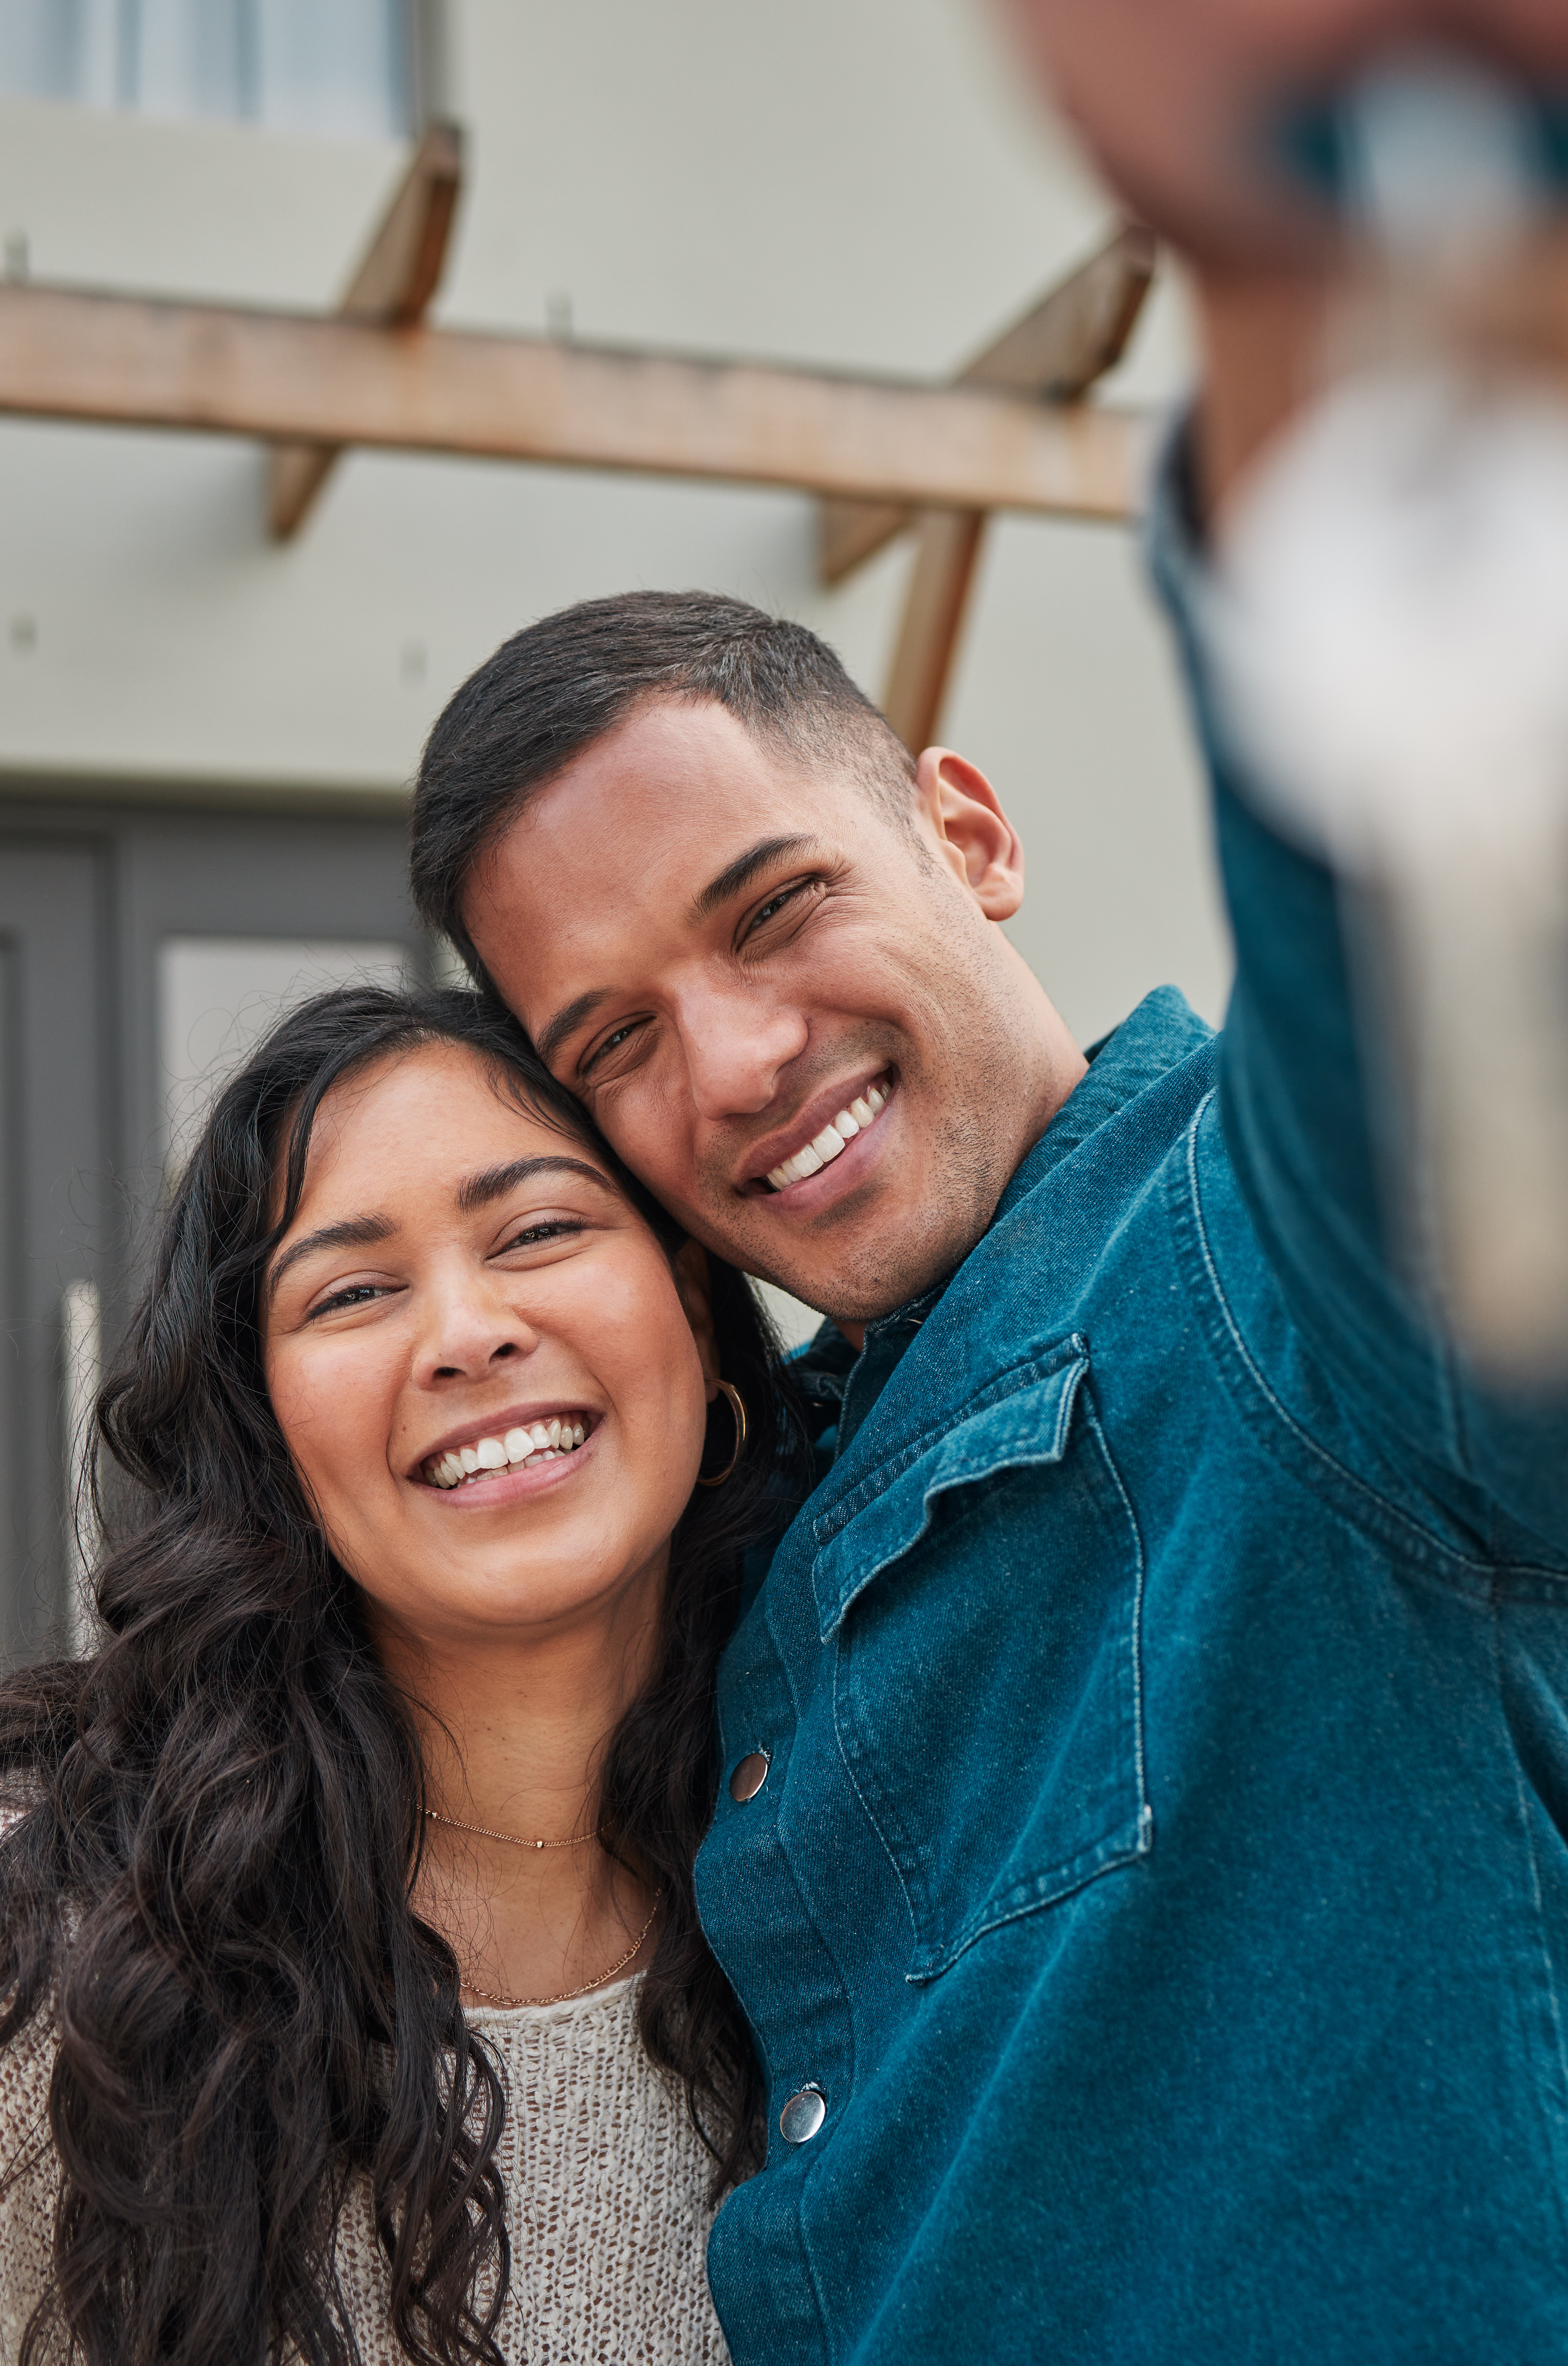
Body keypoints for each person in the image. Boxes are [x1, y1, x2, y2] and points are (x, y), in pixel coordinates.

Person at [404, 12, 1568, 2362]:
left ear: (973, 833)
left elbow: (1416, 1009)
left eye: (774, 908)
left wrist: (1289, 281)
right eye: (613, 1043)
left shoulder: (1267, 1277)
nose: (737, 1067)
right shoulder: (757, 1511)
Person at [0, 984, 806, 2366]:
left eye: (541, 1229)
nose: (465, 1331)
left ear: (689, 1300)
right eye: (355, 1290)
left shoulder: (873, 1878)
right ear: (268, 1427)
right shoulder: (58, 1924)